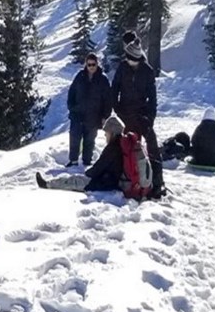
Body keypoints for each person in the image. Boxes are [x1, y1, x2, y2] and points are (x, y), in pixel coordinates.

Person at [111, 34, 164, 198]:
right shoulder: (122, 68)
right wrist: (117, 109)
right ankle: (122, 178)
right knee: (121, 147)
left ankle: (156, 183)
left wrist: (150, 118)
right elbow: (115, 90)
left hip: (142, 115)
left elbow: (153, 98)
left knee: (152, 148)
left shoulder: (147, 71)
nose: (128, 61)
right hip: (125, 114)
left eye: (131, 58)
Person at [36, 116, 125, 192]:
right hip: (111, 180)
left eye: (107, 132)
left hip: (106, 182)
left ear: (113, 133)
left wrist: (87, 174)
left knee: (75, 181)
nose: (105, 135)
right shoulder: (120, 145)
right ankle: (49, 184)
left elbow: (99, 167)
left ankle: (47, 184)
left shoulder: (112, 148)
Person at [66, 53, 111, 167]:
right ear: (86, 64)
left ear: (97, 64)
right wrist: (71, 107)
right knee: (74, 137)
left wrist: (105, 116)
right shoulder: (80, 76)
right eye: (89, 64)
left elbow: (108, 100)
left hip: (93, 116)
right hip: (78, 114)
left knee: (89, 141)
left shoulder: (103, 80)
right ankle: (73, 161)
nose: (91, 67)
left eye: (93, 64)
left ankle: (86, 162)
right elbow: (71, 92)